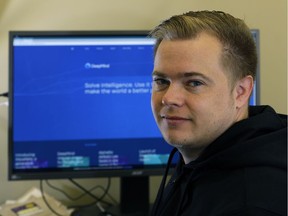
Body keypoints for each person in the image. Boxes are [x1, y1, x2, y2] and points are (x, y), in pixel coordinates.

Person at [149, 10, 287, 216]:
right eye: (161, 81)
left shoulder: (250, 203)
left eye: (194, 83)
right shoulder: (203, 152)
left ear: (241, 92)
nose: (169, 98)